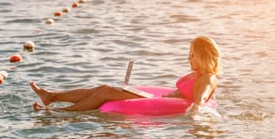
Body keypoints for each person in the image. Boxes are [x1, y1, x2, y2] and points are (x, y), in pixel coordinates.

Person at [30, 35, 221, 113]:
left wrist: (196, 113)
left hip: (168, 104)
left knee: (106, 92)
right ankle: (52, 96)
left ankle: (61, 112)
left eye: (192, 55)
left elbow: (200, 100)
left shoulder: (207, 78)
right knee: (104, 88)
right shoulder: (197, 73)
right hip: (163, 97)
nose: (189, 58)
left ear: (202, 56)